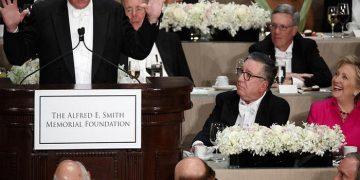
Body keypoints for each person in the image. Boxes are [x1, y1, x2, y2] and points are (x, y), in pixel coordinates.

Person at [0, 0, 164, 84]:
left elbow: (137, 50)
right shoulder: (44, 12)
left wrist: (152, 20)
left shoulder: (112, 11)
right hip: (56, 112)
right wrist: (12, 29)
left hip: (105, 112)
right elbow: (18, 57)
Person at [192, 52, 290, 147]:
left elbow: (274, 147)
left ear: (263, 86)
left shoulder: (278, 107)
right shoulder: (225, 99)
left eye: (248, 75)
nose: (240, 79)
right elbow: (208, 133)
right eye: (241, 71)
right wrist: (198, 145)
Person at [249, 3, 332, 88]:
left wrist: (293, 81)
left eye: (283, 27)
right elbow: (250, 77)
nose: (277, 31)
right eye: (273, 26)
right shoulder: (259, 49)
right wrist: (281, 77)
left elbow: (326, 77)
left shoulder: (306, 46)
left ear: (294, 30)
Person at [121, 0, 193, 83]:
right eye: (128, 10)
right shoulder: (116, 43)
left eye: (139, 9)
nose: (134, 15)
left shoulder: (170, 40)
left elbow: (187, 82)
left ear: (148, 10)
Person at [307, 55, 360, 151]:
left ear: (357, 89)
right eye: (336, 74)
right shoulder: (318, 109)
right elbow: (309, 149)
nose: (336, 80)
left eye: (344, 77)